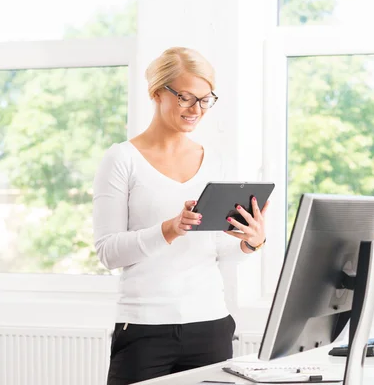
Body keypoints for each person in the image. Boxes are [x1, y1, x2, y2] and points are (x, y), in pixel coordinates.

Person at [92, 46, 269, 385]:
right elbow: (108, 252)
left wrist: (251, 243)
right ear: (157, 92)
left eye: (206, 100)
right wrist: (168, 229)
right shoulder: (122, 160)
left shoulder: (215, 162)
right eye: (187, 97)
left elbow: (218, 251)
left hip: (211, 326)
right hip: (145, 330)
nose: (196, 110)